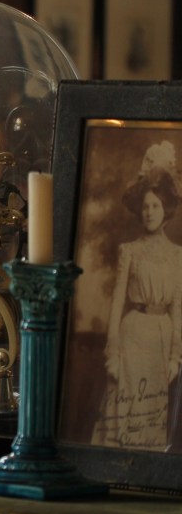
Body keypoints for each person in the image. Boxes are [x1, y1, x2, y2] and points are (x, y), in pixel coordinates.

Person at [93, 141, 182, 451]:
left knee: (152, 419)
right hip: (132, 337)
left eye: (156, 206)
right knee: (123, 408)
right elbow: (117, 305)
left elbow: (178, 309)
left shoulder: (177, 256)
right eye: (145, 206)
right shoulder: (129, 251)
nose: (149, 212)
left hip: (161, 339)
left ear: (167, 208)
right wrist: (113, 354)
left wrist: (175, 356)